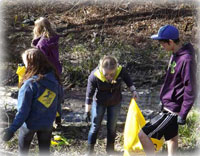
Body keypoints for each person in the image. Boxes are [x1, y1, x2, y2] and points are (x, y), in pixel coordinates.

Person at [138, 25, 196, 156]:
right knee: (171, 139)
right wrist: (163, 99)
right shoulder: (175, 54)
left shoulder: (186, 59)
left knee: (142, 135)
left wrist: (183, 113)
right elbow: (171, 81)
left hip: (172, 110)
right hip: (167, 104)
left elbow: (191, 88)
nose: (161, 46)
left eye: (162, 43)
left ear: (170, 41)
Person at [2, 48, 63, 156]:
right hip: (47, 123)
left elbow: (22, 112)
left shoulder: (29, 85)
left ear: (31, 64)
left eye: (25, 63)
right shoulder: (55, 79)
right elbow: (58, 100)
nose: (24, 65)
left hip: (29, 125)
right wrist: (58, 116)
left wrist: (12, 130)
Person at [84, 55, 138, 155]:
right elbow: (89, 94)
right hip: (99, 102)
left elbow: (128, 80)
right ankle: (90, 151)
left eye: (112, 74)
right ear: (101, 68)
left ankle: (110, 151)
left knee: (112, 127)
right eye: (106, 74)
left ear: (116, 69)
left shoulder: (121, 71)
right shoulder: (94, 76)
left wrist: (133, 91)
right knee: (95, 126)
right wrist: (87, 111)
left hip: (115, 102)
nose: (109, 77)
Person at [31, 17, 63, 127]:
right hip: (56, 70)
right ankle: (58, 121)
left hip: (47, 72)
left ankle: (47, 121)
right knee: (57, 95)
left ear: (39, 28)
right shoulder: (52, 39)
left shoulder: (42, 43)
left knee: (47, 96)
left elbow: (42, 61)